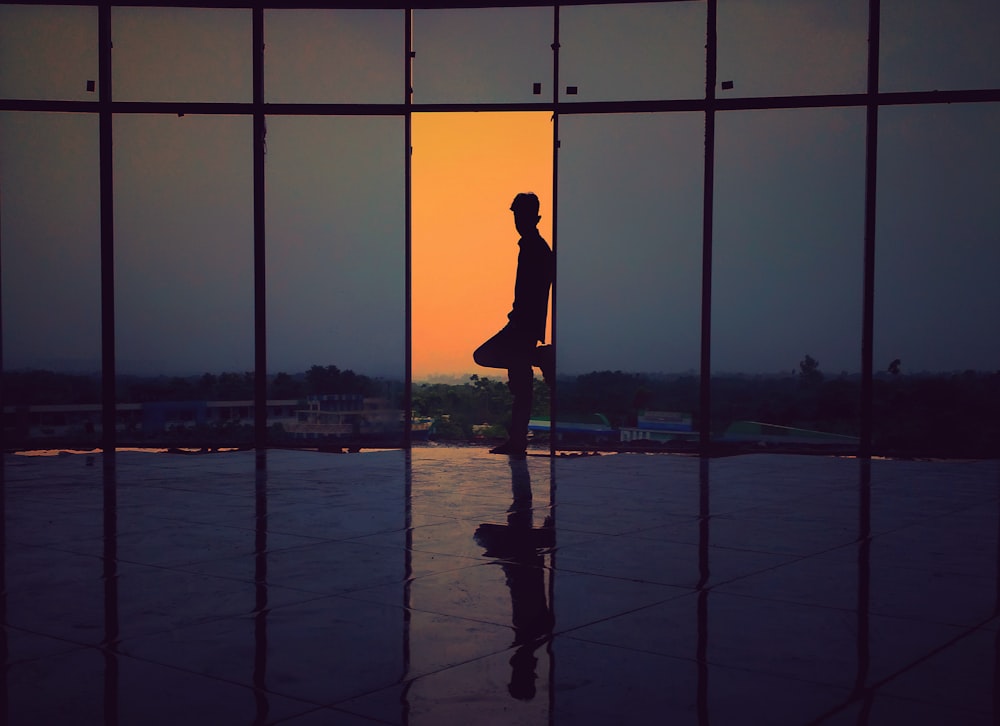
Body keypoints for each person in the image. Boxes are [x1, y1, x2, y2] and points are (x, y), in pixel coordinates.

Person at [473, 192, 554, 457]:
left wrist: (526, 325)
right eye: (517, 216)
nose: (519, 221)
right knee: (519, 385)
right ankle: (539, 356)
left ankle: (517, 441)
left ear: (535, 217)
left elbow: (536, 292)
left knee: (515, 381)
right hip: (522, 324)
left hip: (523, 326)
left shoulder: (537, 249)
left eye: (522, 216)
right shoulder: (533, 247)